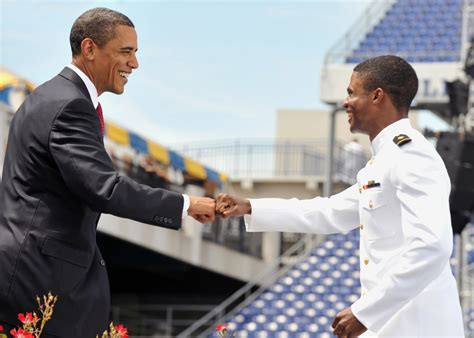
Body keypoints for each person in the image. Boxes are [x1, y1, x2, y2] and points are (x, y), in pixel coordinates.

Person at [0, 8, 215, 337]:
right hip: (42, 276)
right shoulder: (70, 105)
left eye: (135, 53)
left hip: (35, 270)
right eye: (125, 52)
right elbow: (106, 188)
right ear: (89, 49)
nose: (134, 64)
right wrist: (187, 204)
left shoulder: (50, 96)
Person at [216, 55, 465, 337]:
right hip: (389, 324)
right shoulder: (384, 160)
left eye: (351, 92)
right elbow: (329, 212)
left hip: (417, 326)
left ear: (377, 96)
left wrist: (366, 311)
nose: (345, 102)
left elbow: (432, 246)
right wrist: (250, 207)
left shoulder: (411, 155)